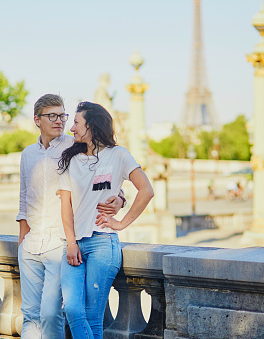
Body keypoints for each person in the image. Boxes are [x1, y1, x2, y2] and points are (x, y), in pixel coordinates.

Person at [16, 94, 124, 338]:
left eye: (62, 116)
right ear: (37, 120)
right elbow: (23, 202)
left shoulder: (74, 147)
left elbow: (108, 180)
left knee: (52, 314)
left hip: (61, 244)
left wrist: (120, 198)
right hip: (31, 245)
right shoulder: (27, 154)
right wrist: (21, 244)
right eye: (52, 116)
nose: (60, 121)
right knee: (30, 315)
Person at [57, 101, 154, 338]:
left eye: (77, 123)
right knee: (71, 309)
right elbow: (66, 206)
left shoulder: (118, 155)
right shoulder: (71, 159)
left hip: (103, 243)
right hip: (74, 244)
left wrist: (121, 223)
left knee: (92, 315)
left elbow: (146, 190)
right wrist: (71, 243)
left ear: (91, 126)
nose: (72, 128)